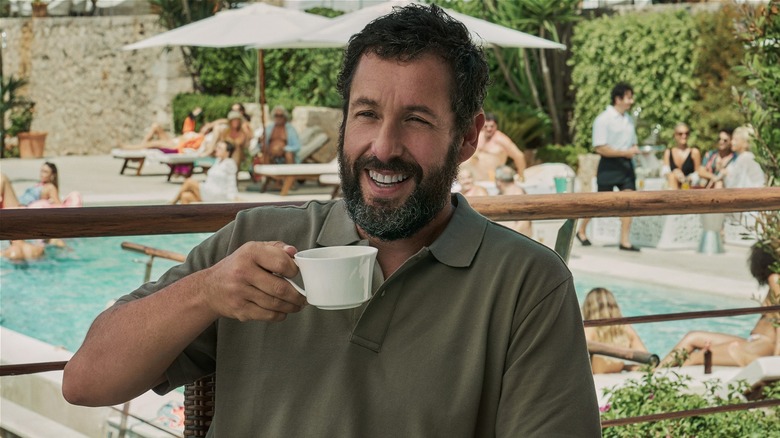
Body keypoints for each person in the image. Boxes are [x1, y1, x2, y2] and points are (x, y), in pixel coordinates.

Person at [63, 5, 600, 436]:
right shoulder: (254, 243)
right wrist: (205, 292)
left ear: (466, 137)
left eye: (415, 119)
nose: (383, 148)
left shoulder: (526, 284)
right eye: (366, 114)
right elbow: (86, 381)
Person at [659, 243, 779, 368]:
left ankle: (658, 380)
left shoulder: (775, 279)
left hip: (761, 346)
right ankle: (657, 371)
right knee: (693, 337)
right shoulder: (774, 281)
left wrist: (776, 360)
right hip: (754, 342)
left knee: (700, 356)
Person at [576, 83, 641, 251]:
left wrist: (634, 150)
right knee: (600, 202)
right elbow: (600, 147)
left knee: (630, 201)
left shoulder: (628, 119)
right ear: (618, 99)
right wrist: (623, 152)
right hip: (609, 165)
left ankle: (624, 241)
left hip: (626, 165)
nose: (631, 101)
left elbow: (632, 142)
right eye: (628, 97)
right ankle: (581, 230)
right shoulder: (603, 119)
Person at [581, 287, 649, 374]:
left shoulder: (589, 330)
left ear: (588, 307)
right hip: (616, 376)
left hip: (596, 381)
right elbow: (646, 359)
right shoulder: (625, 328)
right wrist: (625, 367)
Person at [464, 112, 526, 182]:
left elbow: (519, 156)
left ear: (496, 126)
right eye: (486, 126)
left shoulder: (501, 140)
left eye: (492, 126)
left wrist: (521, 176)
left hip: (493, 181)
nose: (489, 129)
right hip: (475, 180)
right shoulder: (478, 136)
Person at [170, 142, 238, 205]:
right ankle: (186, 218)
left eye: (220, 148)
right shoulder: (218, 161)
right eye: (217, 147)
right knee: (185, 196)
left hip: (217, 194)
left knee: (189, 182)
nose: (216, 149)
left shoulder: (230, 163)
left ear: (227, 152)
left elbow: (231, 181)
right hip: (208, 191)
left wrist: (233, 197)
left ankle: (172, 204)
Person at [0, 163, 81, 208]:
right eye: (41, 171)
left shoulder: (50, 187)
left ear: (52, 175)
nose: (42, 174)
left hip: (20, 208)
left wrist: (50, 203)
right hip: (17, 204)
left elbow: (59, 206)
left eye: (45, 172)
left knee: (2, 177)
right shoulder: (38, 185)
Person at [494, 165, 533, 237]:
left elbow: (524, 222)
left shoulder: (517, 194)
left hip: (515, 240)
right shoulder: (502, 194)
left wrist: (508, 238)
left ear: (498, 181)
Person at [662, 122, 701, 190]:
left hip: (689, 187)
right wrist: (676, 174)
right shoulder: (668, 152)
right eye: (680, 134)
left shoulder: (694, 152)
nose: (684, 136)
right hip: (672, 185)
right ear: (675, 135)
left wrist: (687, 178)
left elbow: (698, 173)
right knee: (672, 176)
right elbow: (665, 173)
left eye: (686, 133)